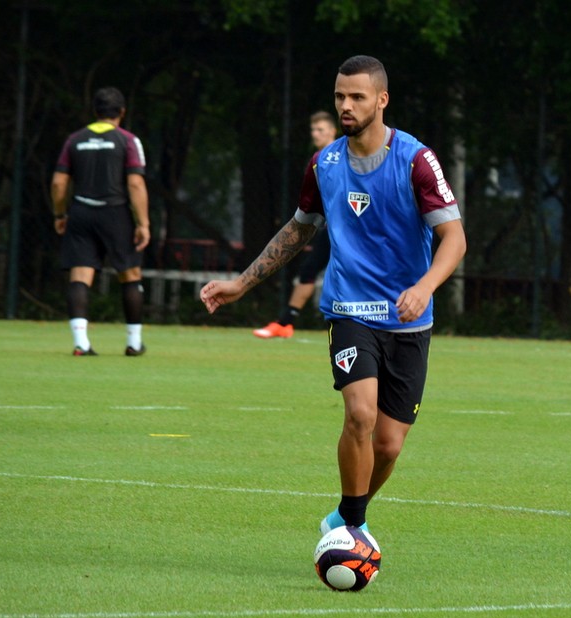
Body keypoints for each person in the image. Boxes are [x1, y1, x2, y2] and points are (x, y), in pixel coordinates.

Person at [200, 55, 466, 535]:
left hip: (409, 321)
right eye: (340, 96)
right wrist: (241, 282)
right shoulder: (325, 164)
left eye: (357, 97)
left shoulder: (416, 160)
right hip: (349, 311)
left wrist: (424, 287)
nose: (346, 105)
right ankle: (353, 533)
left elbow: (455, 238)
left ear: (381, 100)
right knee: (360, 414)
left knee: (388, 445)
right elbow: (299, 231)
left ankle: (345, 517)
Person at [51, 87, 150, 357]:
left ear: (95, 112)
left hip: (81, 212)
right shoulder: (128, 140)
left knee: (80, 275)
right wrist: (143, 223)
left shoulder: (74, 140)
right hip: (115, 213)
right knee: (129, 275)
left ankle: (81, 344)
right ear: (122, 112)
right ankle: (133, 343)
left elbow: (59, 182)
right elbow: (136, 183)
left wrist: (60, 214)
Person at [254, 111, 338, 339]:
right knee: (309, 269)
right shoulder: (318, 159)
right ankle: (286, 322)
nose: (315, 134)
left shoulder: (340, 157)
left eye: (320, 129)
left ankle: (288, 322)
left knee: (334, 272)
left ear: (333, 131)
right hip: (330, 228)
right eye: (313, 130)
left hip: (345, 229)